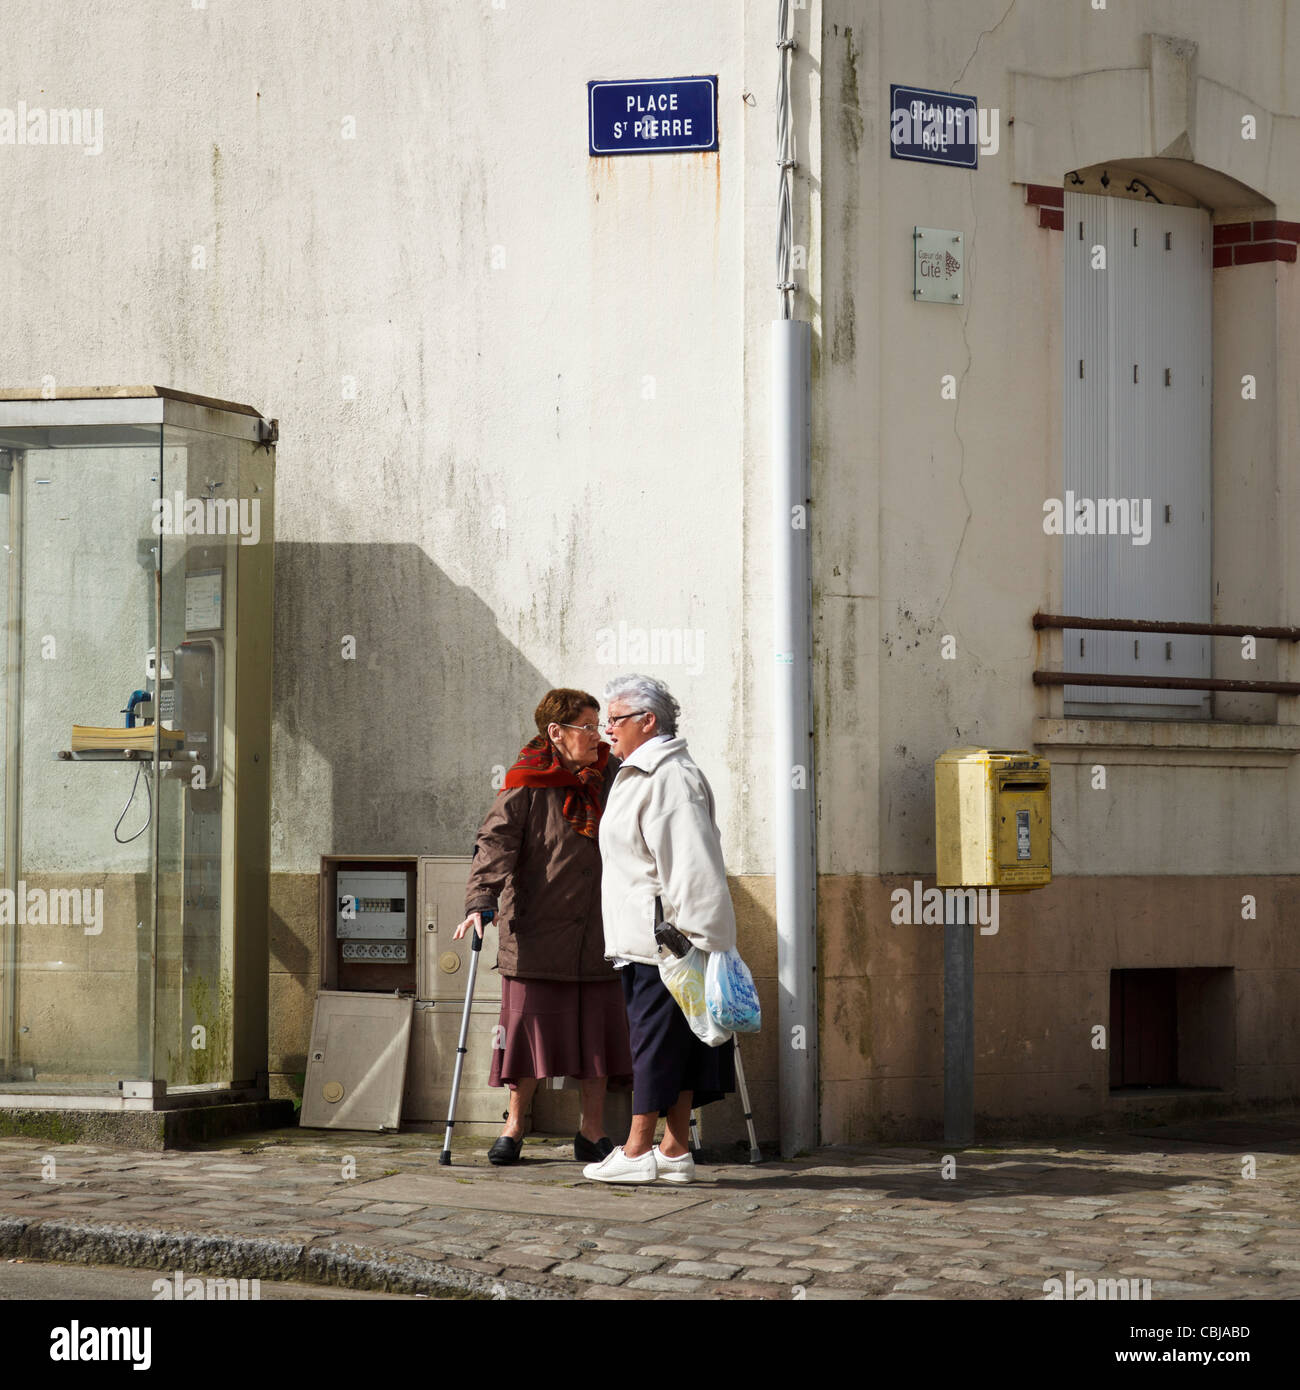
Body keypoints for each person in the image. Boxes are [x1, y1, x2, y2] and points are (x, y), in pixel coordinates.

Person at [455, 689, 632, 1165]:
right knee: (525, 1037)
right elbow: (495, 844)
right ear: (557, 733)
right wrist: (480, 900)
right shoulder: (527, 782)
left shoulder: (612, 777)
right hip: (535, 934)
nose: (598, 736)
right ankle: (513, 1126)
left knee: (596, 1036)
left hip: (599, 931)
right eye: (588, 727)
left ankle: (592, 1131)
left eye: (599, 726)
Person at [583, 674, 736, 1185]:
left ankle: (636, 1150)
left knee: (653, 1043)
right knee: (678, 1041)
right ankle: (674, 1150)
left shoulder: (668, 776)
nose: (607, 730)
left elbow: (692, 864)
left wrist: (699, 941)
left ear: (648, 722)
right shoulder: (642, 773)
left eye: (615, 720)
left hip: (665, 939)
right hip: (650, 933)